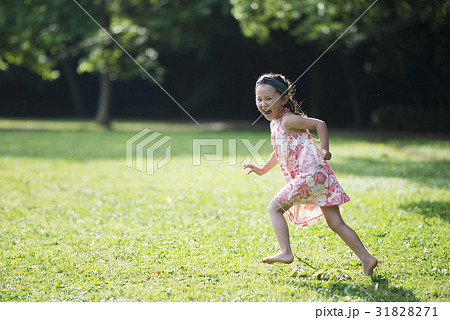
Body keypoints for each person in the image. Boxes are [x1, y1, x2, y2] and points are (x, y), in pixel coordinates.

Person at [243, 73, 378, 276]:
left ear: (284, 99)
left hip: (309, 175)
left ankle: (285, 252)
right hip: (319, 176)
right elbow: (279, 148)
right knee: (335, 223)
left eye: (269, 98)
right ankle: (367, 259)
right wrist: (263, 169)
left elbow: (319, 124)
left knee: (274, 209)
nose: (263, 104)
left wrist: (325, 150)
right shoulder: (276, 124)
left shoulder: (288, 120)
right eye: (259, 99)